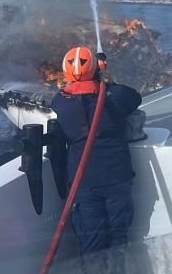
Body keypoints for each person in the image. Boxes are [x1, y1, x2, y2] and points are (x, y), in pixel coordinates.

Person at [51, 46, 142, 272]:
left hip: (84, 185)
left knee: (91, 244)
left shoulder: (61, 102)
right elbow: (135, 98)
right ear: (95, 70)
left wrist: (91, 79)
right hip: (116, 179)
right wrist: (109, 82)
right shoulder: (114, 96)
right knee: (118, 238)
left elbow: (67, 95)